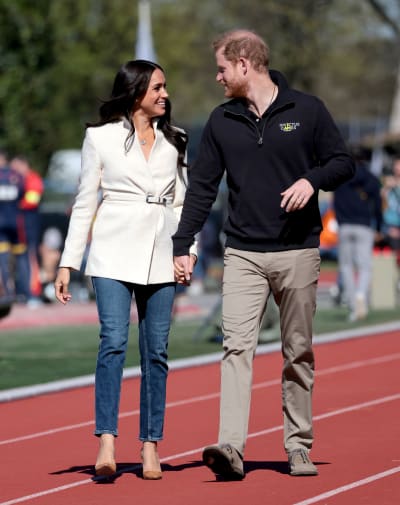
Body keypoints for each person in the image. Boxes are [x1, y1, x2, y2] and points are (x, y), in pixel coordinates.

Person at [172, 29, 354, 480]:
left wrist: (312, 179)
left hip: (297, 252)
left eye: (221, 68)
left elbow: (342, 162)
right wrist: (183, 244)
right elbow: (201, 187)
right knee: (236, 348)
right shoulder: (220, 121)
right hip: (243, 254)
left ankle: (298, 446)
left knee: (297, 352)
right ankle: (231, 447)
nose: (217, 77)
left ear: (244, 64)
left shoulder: (307, 110)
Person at [54, 60, 196, 480]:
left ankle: (150, 444)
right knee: (113, 342)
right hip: (112, 253)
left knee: (157, 352)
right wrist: (68, 262)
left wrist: (186, 251)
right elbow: (85, 202)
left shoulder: (177, 140)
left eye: (165, 87)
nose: (164, 94)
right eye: (157, 88)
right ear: (135, 92)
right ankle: (107, 441)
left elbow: (184, 204)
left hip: (163, 253)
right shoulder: (99, 138)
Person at [333, 146, 383, 321]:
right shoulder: (371, 179)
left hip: (345, 225)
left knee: (346, 267)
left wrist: (340, 221)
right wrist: (379, 227)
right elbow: (377, 205)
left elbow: (335, 202)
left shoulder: (341, 178)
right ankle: (361, 294)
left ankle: (354, 306)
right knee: (365, 266)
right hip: (364, 225)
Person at [10, 155, 44, 305]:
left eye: (16, 167)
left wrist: (14, 204)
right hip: (16, 225)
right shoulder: (15, 181)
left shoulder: (33, 178)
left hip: (29, 224)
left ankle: (33, 293)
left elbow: (32, 200)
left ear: (24, 165)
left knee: (30, 258)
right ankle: (20, 291)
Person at [0, 148, 30, 307]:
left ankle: (8, 293)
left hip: (1, 225)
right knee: (21, 259)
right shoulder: (16, 176)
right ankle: (25, 293)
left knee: (3, 260)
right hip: (17, 223)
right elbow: (25, 196)